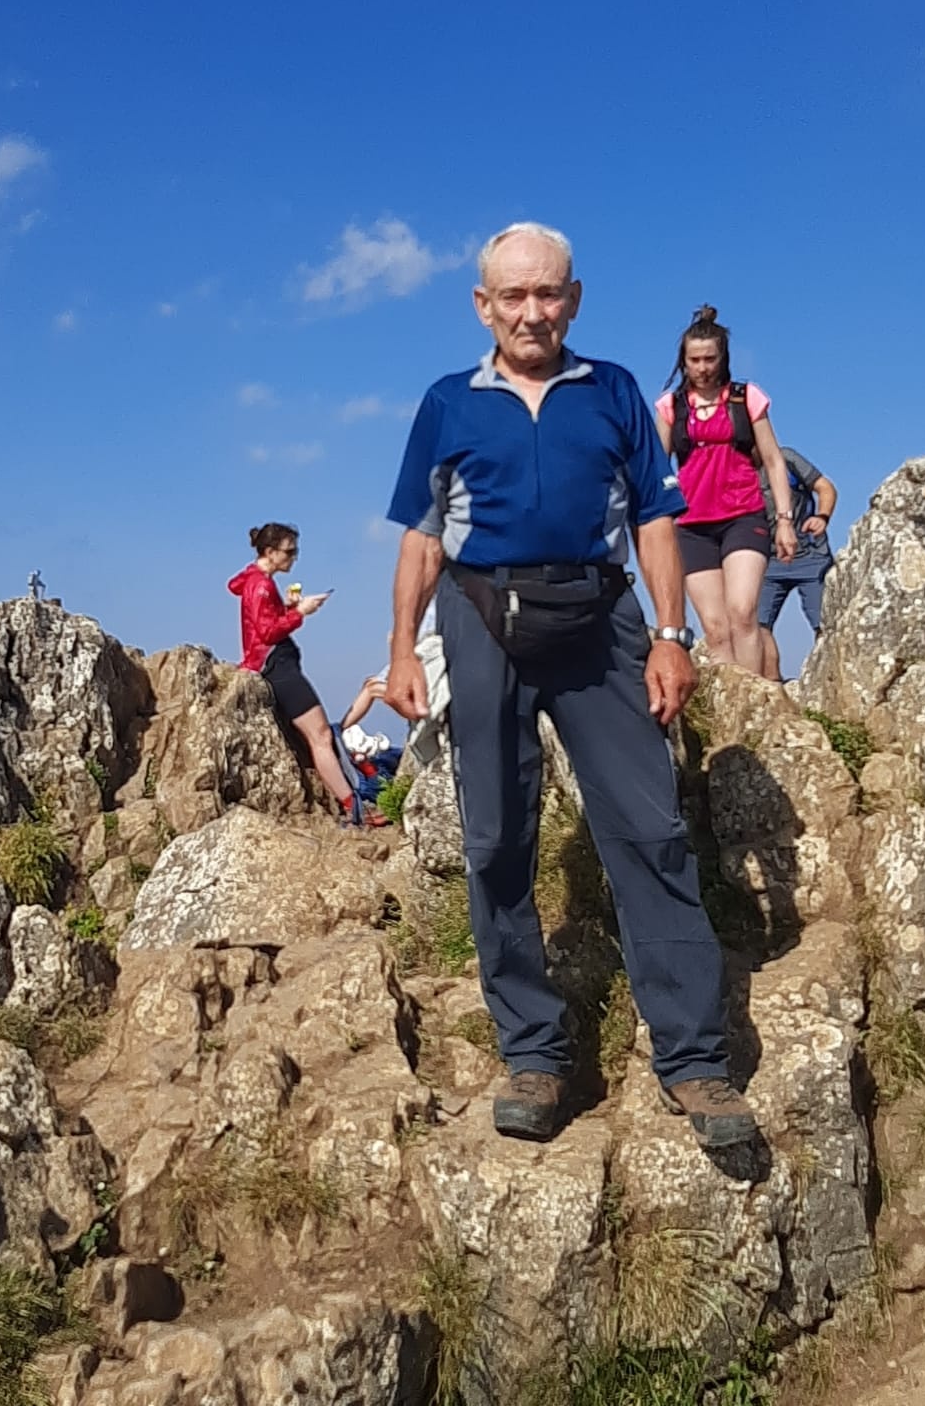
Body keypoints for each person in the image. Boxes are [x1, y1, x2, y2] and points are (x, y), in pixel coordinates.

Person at [384, 222, 756, 1152]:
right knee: (495, 840)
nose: (532, 312)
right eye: (513, 296)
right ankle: (534, 1054)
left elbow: (657, 520)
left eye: (547, 293)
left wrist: (669, 637)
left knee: (650, 830)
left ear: (574, 300)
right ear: (483, 306)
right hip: (481, 619)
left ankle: (694, 1060)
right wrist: (401, 651)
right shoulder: (447, 403)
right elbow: (422, 536)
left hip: (600, 618)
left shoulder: (615, 392)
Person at [653, 307, 796, 676]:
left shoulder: (746, 399)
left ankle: (753, 699)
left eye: (709, 359)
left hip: (743, 516)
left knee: (742, 613)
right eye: (694, 360)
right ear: (683, 361)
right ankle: (730, 706)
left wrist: (785, 520)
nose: (702, 368)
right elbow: (655, 470)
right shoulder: (671, 407)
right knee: (715, 629)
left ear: (723, 358)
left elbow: (773, 460)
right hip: (692, 524)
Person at [228, 524, 386, 827]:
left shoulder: (254, 579)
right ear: (270, 552)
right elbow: (267, 632)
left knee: (317, 736)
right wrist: (301, 611)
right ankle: (354, 807)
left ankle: (351, 804)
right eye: (289, 551)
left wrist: (283, 606)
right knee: (321, 736)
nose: (294, 557)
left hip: (272, 664)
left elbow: (234, 586)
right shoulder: (261, 585)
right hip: (277, 665)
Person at [758, 447, 838, 681]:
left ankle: (827, 683)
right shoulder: (736, 468)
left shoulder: (786, 459)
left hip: (811, 556)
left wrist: (822, 517)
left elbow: (826, 488)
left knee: (826, 625)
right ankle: (773, 686)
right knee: (757, 626)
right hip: (768, 560)